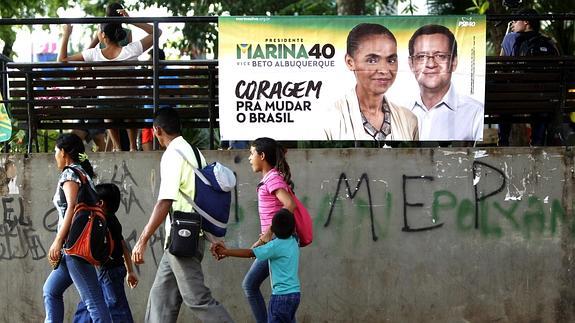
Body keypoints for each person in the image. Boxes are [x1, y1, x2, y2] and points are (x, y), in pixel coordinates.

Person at [130, 107, 233, 323]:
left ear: (157, 130)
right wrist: (213, 238)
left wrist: (142, 240)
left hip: (183, 238)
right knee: (160, 299)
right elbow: (203, 201)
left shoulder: (173, 155)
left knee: (197, 299)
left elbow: (165, 201)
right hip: (183, 239)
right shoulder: (195, 153)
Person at [58, 9, 162, 151]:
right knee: (129, 103)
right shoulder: (131, 50)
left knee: (108, 106)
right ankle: (132, 147)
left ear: (103, 36)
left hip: (107, 109)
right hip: (131, 106)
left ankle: (118, 148)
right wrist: (132, 20)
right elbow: (157, 32)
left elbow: (62, 60)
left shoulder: (94, 54)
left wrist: (66, 34)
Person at [218, 137, 296, 323]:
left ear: (262, 156)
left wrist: (268, 233)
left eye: (252, 153)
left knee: (250, 285)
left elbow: (289, 204)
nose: (249, 158)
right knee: (282, 297)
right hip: (276, 241)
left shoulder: (273, 179)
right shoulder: (270, 178)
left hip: (276, 241)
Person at [43, 133, 112, 322]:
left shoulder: (69, 174)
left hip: (74, 247)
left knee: (93, 301)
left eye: (56, 151)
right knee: (50, 290)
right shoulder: (83, 173)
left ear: (64, 152)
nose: (55, 155)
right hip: (73, 247)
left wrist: (57, 241)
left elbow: (71, 207)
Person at [324, 23, 418, 142]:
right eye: (372, 60)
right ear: (350, 62)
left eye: (391, 60)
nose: (384, 70)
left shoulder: (408, 120)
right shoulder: (328, 119)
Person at [214, 209, 300, 323]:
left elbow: (250, 253)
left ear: (273, 229)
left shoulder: (274, 246)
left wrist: (225, 252)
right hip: (295, 295)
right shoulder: (294, 241)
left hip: (280, 297)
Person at [73, 183, 138, 323]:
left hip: (110, 272)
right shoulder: (113, 220)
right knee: (89, 303)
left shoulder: (102, 221)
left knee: (116, 309)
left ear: (100, 203)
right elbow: (123, 245)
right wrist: (130, 270)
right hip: (108, 271)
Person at [408, 24, 484, 141]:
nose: (431, 64)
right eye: (421, 57)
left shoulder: (476, 112)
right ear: (411, 64)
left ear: (453, 62)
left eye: (440, 56)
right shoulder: (395, 112)